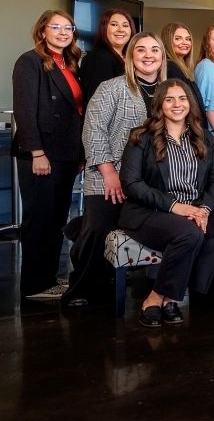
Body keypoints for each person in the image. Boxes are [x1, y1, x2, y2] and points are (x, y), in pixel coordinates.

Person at [118, 79, 214, 327]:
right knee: (190, 235)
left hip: (196, 207)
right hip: (152, 211)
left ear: (190, 104)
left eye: (182, 98)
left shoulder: (205, 139)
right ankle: (156, 298)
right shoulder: (141, 138)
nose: (177, 104)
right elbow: (131, 184)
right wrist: (174, 207)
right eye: (169, 99)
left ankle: (170, 295)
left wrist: (203, 209)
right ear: (159, 104)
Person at [66, 33, 166, 307]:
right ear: (130, 55)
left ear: (162, 56)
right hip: (109, 174)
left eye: (155, 50)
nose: (148, 55)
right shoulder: (112, 88)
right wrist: (109, 172)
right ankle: (81, 288)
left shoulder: (169, 91)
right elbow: (94, 129)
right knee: (99, 229)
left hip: (151, 181)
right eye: (141, 50)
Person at [12, 10, 85, 301]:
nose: (64, 32)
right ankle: (33, 285)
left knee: (56, 220)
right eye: (56, 27)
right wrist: (37, 152)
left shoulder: (70, 64)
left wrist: (78, 153)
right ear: (43, 30)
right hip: (41, 154)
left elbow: (75, 112)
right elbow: (25, 111)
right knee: (39, 221)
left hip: (66, 154)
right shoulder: (29, 61)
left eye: (69, 27)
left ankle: (49, 278)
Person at [78, 8, 136, 103]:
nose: (121, 30)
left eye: (125, 26)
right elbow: (98, 102)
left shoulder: (130, 58)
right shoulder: (98, 58)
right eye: (114, 24)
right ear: (104, 28)